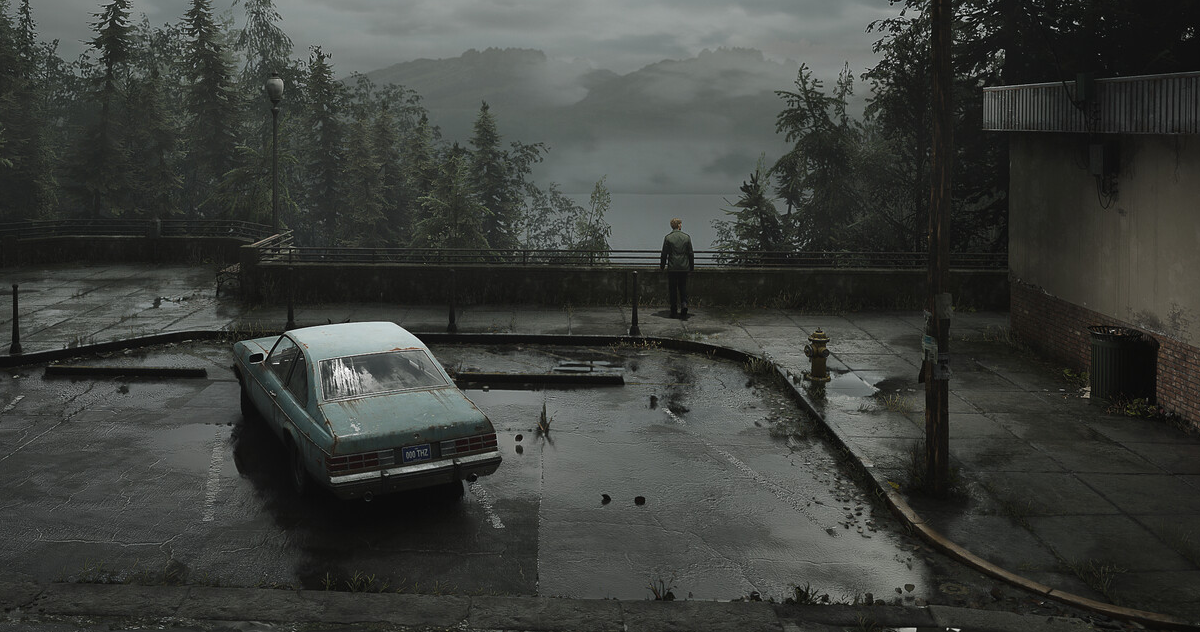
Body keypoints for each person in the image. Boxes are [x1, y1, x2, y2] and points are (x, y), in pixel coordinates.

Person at [660, 217, 694, 318]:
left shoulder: (668, 238)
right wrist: (691, 267)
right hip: (684, 267)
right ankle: (684, 304)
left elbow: (664, 254)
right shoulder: (686, 237)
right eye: (680, 224)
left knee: (673, 289)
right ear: (679, 225)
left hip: (672, 267)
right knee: (683, 287)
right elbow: (690, 253)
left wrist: (662, 266)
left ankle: (673, 310)